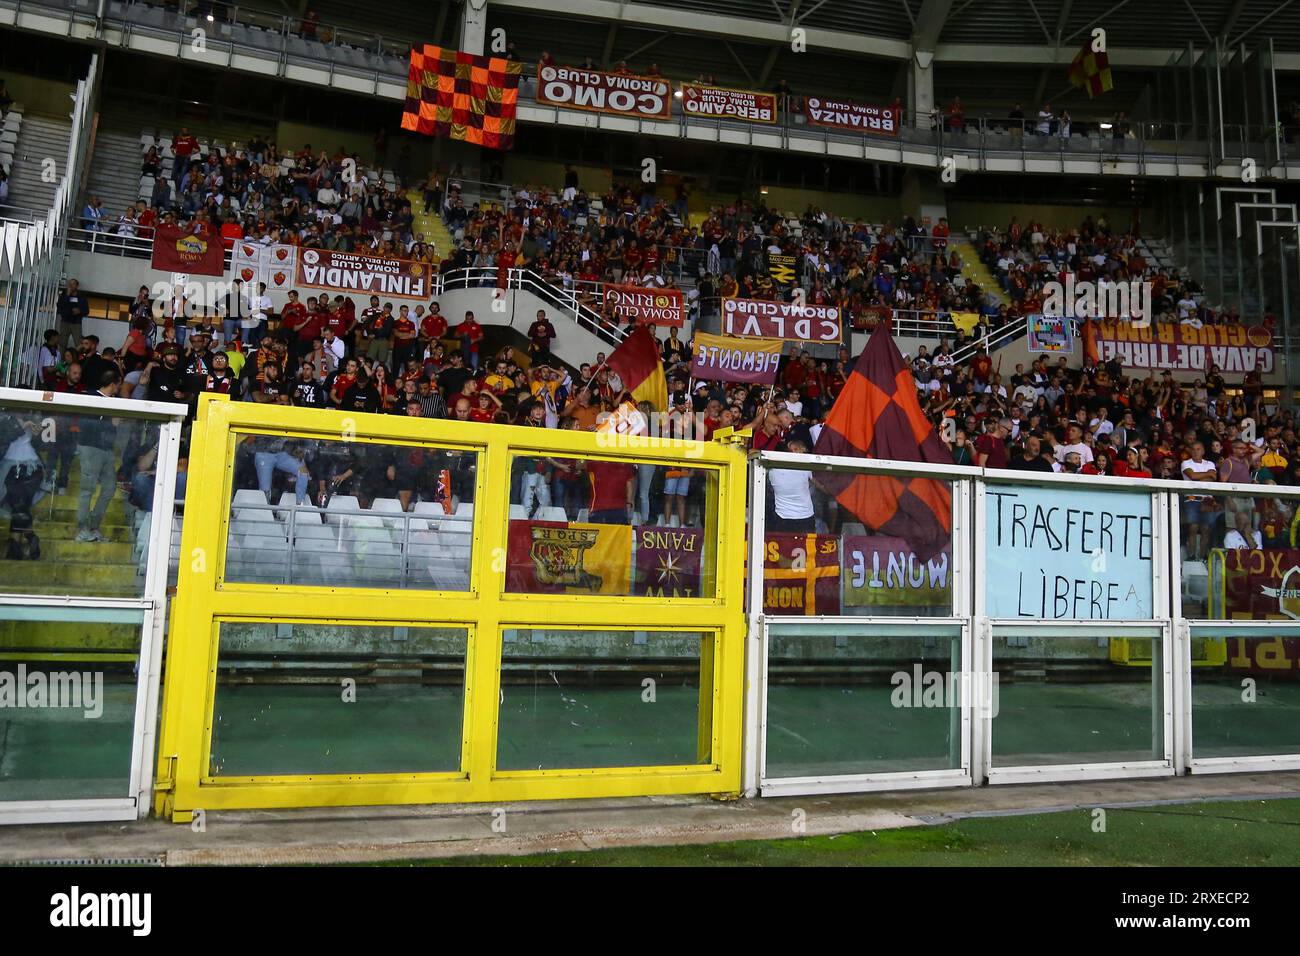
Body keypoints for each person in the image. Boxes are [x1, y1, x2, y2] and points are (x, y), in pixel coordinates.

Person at [74, 368, 123, 543]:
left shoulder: (116, 401)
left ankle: (94, 526)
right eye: (118, 385)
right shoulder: (89, 396)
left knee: (109, 488)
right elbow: (87, 425)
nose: (119, 389)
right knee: (87, 489)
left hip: (107, 450)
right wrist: (112, 422)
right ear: (113, 384)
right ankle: (82, 528)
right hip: (90, 448)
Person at [765, 437, 816, 532]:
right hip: (788, 517)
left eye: (798, 450)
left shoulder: (772, 470)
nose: (794, 452)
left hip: (798, 517)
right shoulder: (774, 468)